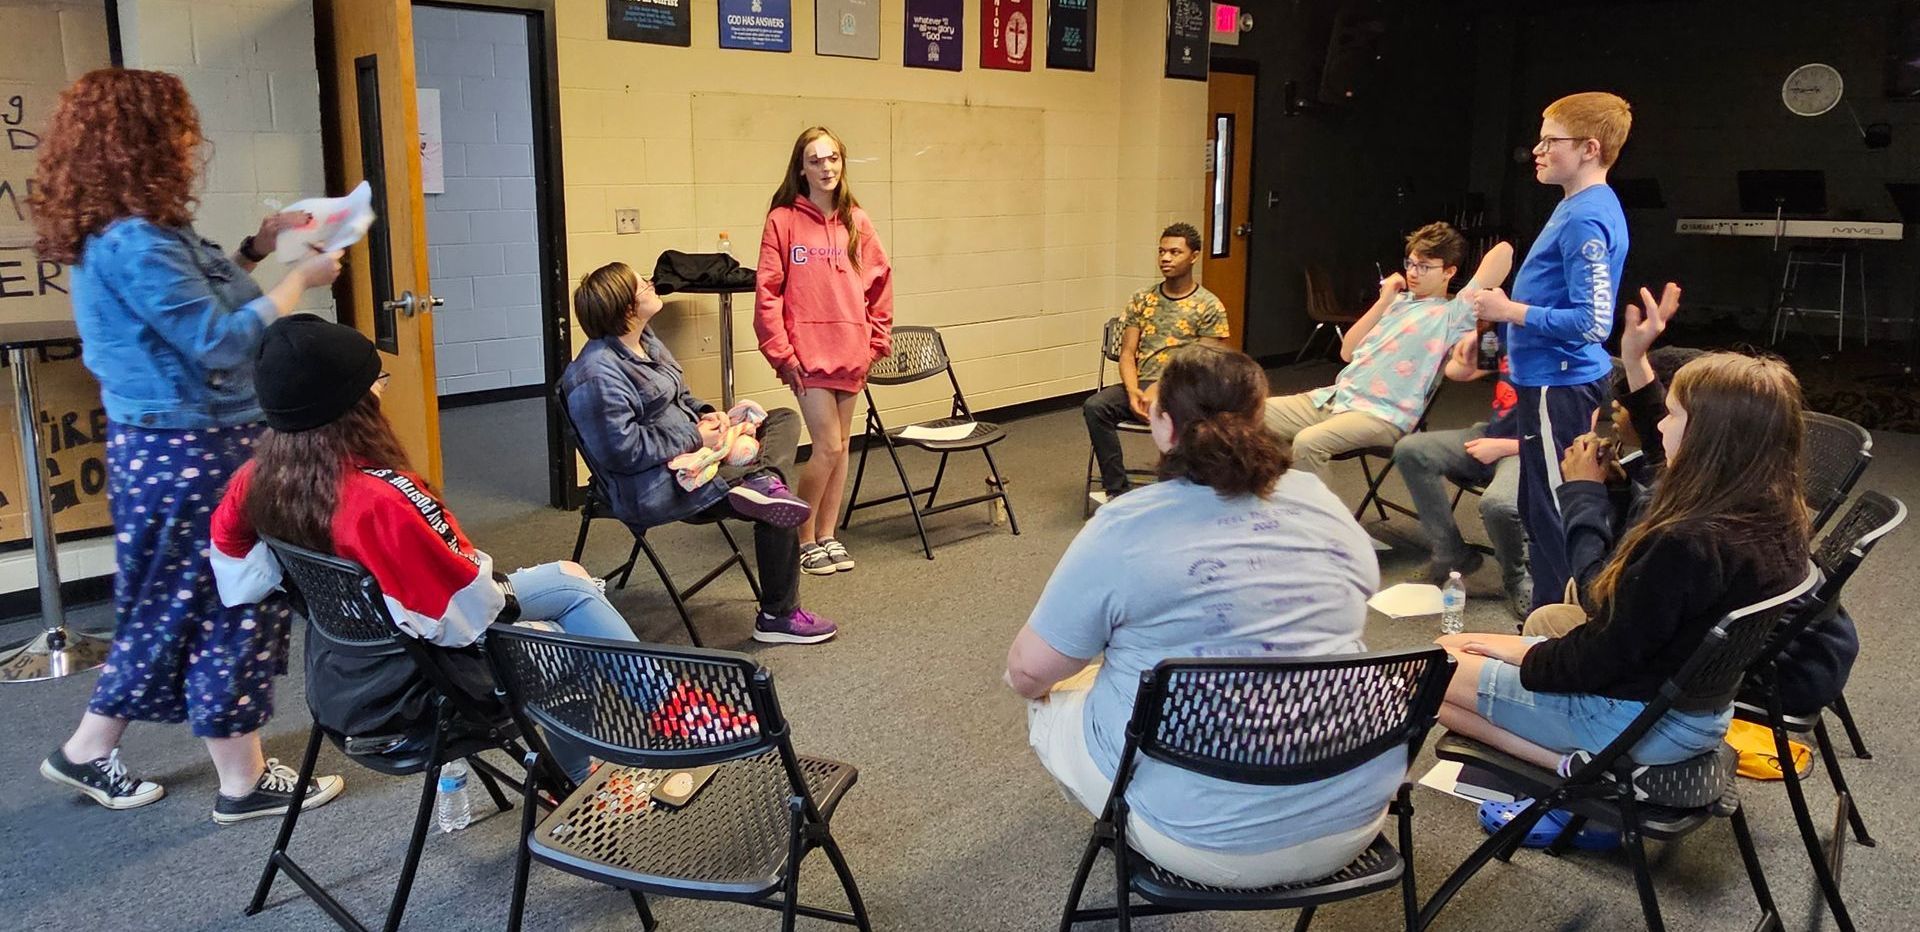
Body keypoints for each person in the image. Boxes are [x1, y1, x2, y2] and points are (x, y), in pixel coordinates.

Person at [31, 68, 347, 821]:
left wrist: (258, 249)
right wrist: (300, 281)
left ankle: (95, 751)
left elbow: (197, 304)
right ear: (141, 141)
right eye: (176, 129)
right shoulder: (136, 240)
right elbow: (217, 340)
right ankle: (237, 780)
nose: (187, 143)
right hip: (190, 450)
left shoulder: (143, 231)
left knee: (183, 603)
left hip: (184, 446)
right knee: (225, 599)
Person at [1007, 345, 1404, 889]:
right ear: (1262, 417)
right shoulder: (1317, 499)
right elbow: (1362, 589)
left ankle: (1133, 821)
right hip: (1353, 817)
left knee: (1046, 698)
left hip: (1206, 844)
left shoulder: (1125, 526)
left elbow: (1028, 672)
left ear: (1161, 424)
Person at [210, 315, 643, 782]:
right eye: (377, 381)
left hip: (344, 680)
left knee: (570, 581)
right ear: (354, 403)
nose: (382, 391)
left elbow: (236, 572)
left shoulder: (256, 481)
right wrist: (515, 602)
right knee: (573, 642)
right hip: (424, 694)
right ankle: (580, 780)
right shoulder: (381, 499)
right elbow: (466, 613)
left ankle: (665, 706)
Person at [1433, 349, 1811, 843]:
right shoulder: (1777, 515)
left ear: (1709, 436)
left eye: (1672, 415)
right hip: (1696, 709)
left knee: (1432, 667)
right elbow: (1628, 630)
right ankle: (1579, 767)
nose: (1660, 427)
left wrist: (1523, 657)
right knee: (1462, 668)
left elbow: (1598, 657)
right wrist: (1516, 651)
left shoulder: (1687, 540)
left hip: (1639, 720)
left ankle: (1597, 775)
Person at [561, 262, 838, 645]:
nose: (651, 283)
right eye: (642, 284)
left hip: (699, 454)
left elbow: (681, 396)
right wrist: (694, 437)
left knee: (781, 419)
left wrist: (710, 416)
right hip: (659, 483)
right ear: (625, 307)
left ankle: (760, 482)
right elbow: (624, 452)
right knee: (779, 509)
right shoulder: (595, 376)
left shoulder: (646, 340)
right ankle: (779, 615)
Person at [1466, 91, 1632, 611]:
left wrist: (1510, 310)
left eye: (1549, 141)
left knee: (1559, 513)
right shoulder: (1575, 206)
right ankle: (1547, 622)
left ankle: (1565, 626)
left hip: (1559, 383)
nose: (1536, 151)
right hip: (1545, 380)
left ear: (1589, 148)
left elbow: (1592, 323)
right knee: (1539, 511)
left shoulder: (1585, 217)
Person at [753, 126, 894, 577]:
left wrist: (875, 342)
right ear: (801, 168)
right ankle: (802, 537)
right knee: (827, 446)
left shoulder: (857, 221)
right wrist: (782, 353)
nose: (826, 167)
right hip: (806, 356)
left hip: (852, 352)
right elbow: (767, 294)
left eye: (833, 158)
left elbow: (880, 284)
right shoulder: (782, 221)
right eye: (815, 160)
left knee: (841, 447)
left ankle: (828, 533)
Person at [1264, 223, 1513, 477]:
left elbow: (1504, 251)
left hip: (1383, 415)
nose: (1413, 273)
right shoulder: (1397, 302)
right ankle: (1262, 495)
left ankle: (1310, 505)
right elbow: (1347, 352)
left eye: (1424, 267)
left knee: (1308, 443)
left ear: (1448, 272)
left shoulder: (1452, 314)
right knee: (1250, 413)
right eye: (1410, 264)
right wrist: (1384, 301)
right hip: (1337, 398)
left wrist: (1478, 292)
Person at [1083, 222, 1229, 505]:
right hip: (1141, 384)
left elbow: (1204, 365)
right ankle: (1116, 490)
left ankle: (1177, 489)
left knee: (1187, 416)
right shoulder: (1142, 299)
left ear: (1194, 256)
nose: (1165, 258)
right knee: (1096, 407)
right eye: (1162, 251)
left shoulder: (1209, 305)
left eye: (1175, 252)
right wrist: (1133, 391)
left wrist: (1162, 389)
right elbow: (1127, 353)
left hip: (1184, 388)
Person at [1390, 343, 1528, 617]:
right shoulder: (1509, 333)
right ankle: (1451, 554)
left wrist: (1503, 447)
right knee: (1411, 450)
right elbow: (1458, 372)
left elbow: (1569, 440)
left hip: (1528, 450)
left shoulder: (1572, 351)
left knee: (1498, 504)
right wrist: (1473, 342)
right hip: (1489, 435)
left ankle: (1518, 579)